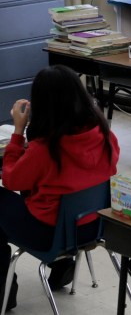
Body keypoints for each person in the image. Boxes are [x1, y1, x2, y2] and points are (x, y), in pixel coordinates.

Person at [0, 65, 119, 309]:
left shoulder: (45, 149)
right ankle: (62, 267)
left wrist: (18, 133)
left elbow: (10, 180)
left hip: (50, 234)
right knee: (45, 192)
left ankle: (4, 292)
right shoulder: (105, 135)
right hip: (93, 226)